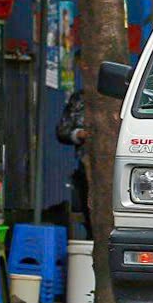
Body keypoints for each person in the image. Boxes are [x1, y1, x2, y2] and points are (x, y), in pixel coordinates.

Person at [54, 86, 92, 238]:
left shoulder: (124, 93)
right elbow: (63, 131)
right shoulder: (80, 99)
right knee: (89, 210)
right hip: (86, 165)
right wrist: (79, 134)